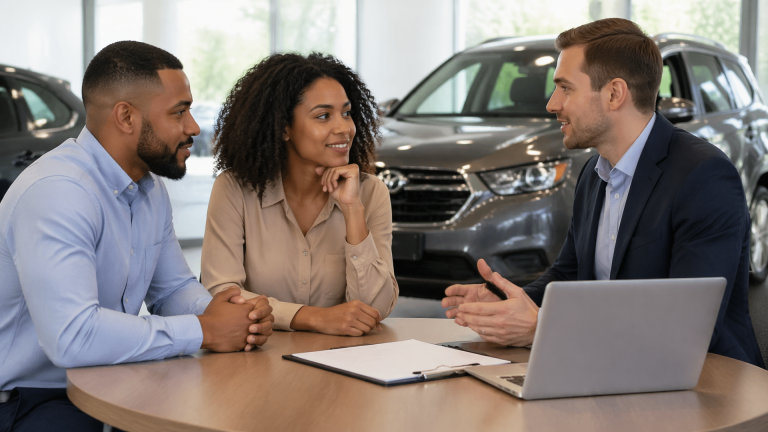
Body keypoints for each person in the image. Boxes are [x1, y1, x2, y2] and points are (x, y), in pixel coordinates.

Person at [442, 18, 764, 367]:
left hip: (706, 384)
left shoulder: (703, 177)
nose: (552, 104)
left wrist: (543, 327)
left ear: (614, 94)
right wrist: (508, 302)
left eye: (565, 88)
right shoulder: (595, 174)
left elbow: (690, 326)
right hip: (612, 367)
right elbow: (570, 274)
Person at [0, 41, 275, 431]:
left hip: (103, 378)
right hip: (28, 401)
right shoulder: (59, 191)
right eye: (179, 112)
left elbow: (171, 289)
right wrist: (205, 329)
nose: (194, 127)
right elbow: (73, 337)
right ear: (126, 117)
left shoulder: (146, 187)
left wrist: (222, 313)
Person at [201, 53, 398, 336]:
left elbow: (375, 308)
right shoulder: (234, 189)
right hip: (255, 362)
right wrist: (313, 318)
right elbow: (223, 294)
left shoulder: (370, 193)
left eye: (346, 113)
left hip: (341, 362)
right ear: (283, 128)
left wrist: (353, 211)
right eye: (323, 116)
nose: (344, 128)